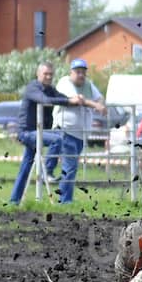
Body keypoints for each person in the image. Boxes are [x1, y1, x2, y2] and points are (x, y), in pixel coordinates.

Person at [39, 58, 107, 204]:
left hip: (80, 134)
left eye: (83, 72)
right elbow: (77, 100)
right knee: (70, 167)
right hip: (66, 129)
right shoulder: (65, 82)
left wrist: (100, 103)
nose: (81, 75)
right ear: (71, 72)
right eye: (77, 72)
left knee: (71, 167)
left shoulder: (89, 85)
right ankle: (65, 200)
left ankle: (52, 179)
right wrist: (96, 105)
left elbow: (99, 97)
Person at [8, 62, 74, 206]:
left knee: (25, 167)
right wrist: (69, 101)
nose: (49, 77)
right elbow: (44, 100)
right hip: (27, 132)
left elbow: (62, 98)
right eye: (46, 74)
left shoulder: (50, 89)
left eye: (51, 74)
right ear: (38, 74)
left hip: (37, 132)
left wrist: (76, 100)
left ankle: (14, 201)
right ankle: (48, 172)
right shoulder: (33, 88)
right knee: (57, 140)